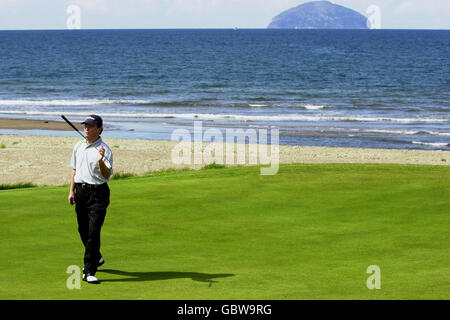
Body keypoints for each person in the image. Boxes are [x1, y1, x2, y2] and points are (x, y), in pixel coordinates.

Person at [68, 114, 113, 284]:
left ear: (99, 129)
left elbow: (107, 175)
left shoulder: (104, 149)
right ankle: (97, 256)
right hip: (81, 192)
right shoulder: (78, 146)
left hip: (98, 193)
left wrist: (101, 160)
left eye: (91, 126)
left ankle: (88, 270)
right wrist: (71, 191)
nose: (87, 128)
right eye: (85, 125)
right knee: (83, 230)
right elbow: (75, 171)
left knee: (93, 232)